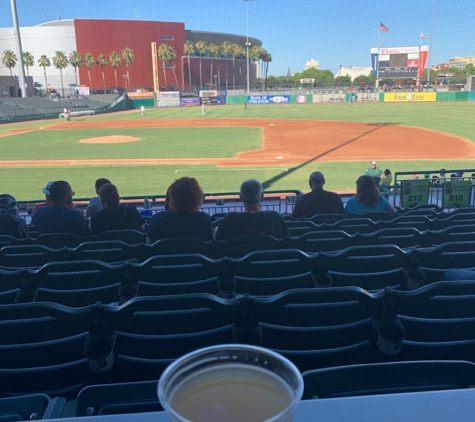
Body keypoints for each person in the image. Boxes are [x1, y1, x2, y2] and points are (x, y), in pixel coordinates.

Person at [215, 179, 289, 240]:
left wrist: (216, 231)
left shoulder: (230, 219)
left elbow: (218, 243)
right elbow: (286, 241)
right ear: (262, 196)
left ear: (240, 197)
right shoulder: (275, 218)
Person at [146, 177, 213, 243]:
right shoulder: (205, 220)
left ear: (172, 197)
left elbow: (149, 244)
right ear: (198, 197)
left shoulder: (157, 220)